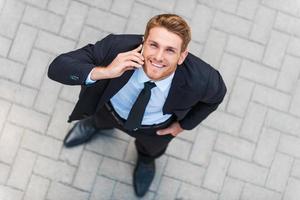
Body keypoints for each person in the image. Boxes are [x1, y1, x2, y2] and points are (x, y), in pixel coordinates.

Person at [48, 14, 226, 197]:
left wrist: (183, 125)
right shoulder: (116, 47)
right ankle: (93, 125)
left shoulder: (203, 79)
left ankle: (146, 160)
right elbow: (57, 68)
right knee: (98, 120)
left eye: (170, 50)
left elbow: (216, 97)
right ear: (144, 42)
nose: (158, 57)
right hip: (108, 110)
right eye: (153, 45)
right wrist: (106, 71)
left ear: (182, 56)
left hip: (156, 128)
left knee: (150, 150)